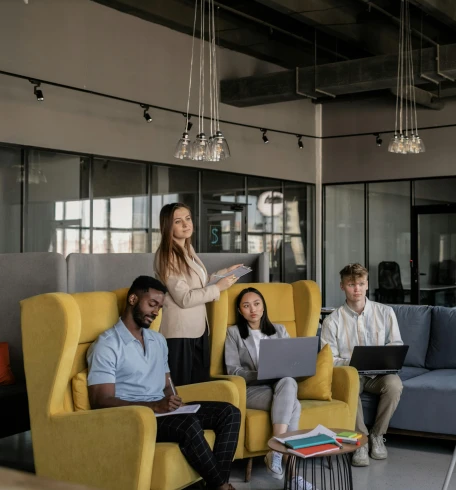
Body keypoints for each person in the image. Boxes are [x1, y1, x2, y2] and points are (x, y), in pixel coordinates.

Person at [87, 276, 241, 490]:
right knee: (189, 425)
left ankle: (216, 485)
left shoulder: (157, 340)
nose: (156, 312)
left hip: (162, 411)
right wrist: (154, 406)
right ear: (132, 299)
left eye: (159, 307)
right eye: (151, 304)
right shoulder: (107, 345)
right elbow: (100, 401)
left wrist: (173, 398)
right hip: (134, 418)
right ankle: (221, 486)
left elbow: (167, 382)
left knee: (229, 413)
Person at [224, 287, 312, 490]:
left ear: (263, 307)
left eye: (256, 304)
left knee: (288, 382)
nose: (252, 309)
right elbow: (232, 370)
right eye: (246, 306)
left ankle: (276, 450)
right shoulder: (234, 333)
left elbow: (292, 363)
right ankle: (292, 475)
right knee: (294, 406)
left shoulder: (279, 330)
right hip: (251, 390)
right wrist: (261, 372)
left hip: (279, 387)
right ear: (240, 310)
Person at [320, 263, 404, 467]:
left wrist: (383, 360)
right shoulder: (332, 320)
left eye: (360, 283)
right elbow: (328, 358)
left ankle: (377, 435)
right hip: (350, 374)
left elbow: (396, 345)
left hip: (379, 375)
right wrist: (353, 362)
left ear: (367, 285)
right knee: (351, 386)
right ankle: (360, 440)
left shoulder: (385, 312)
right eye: (351, 284)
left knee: (395, 385)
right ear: (342, 287)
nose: (356, 288)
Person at [154, 202, 242, 386]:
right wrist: (218, 287)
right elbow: (185, 298)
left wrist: (225, 272)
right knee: (183, 390)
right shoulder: (167, 255)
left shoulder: (187, 249)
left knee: (199, 387)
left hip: (197, 329)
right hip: (180, 333)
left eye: (188, 219)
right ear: (168, 226)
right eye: (178, 221)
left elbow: (199, 283)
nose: (186, 224)